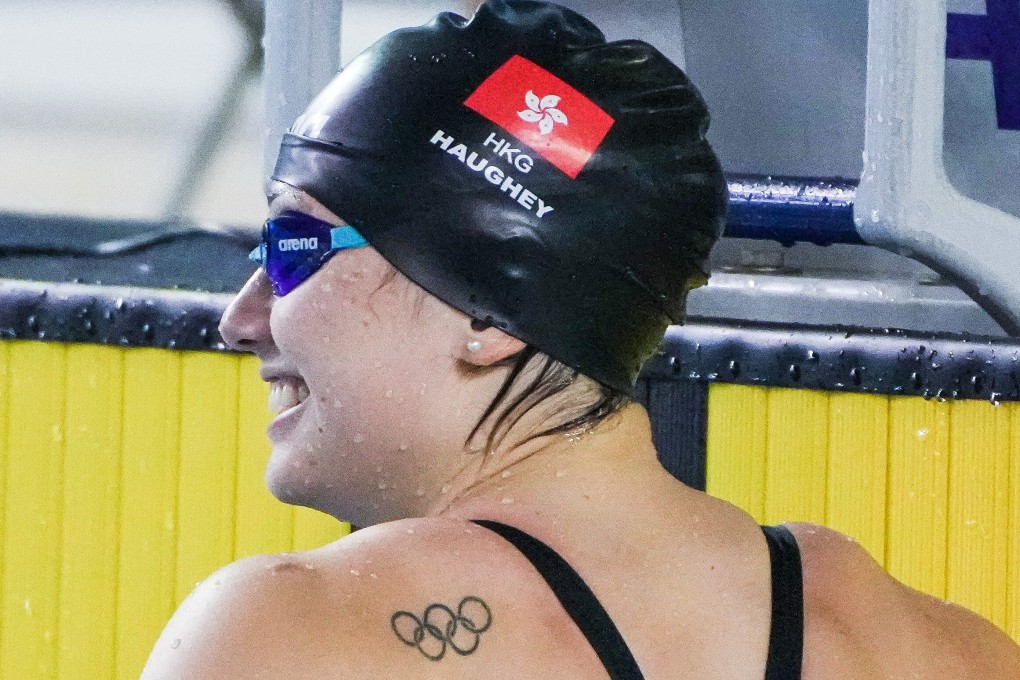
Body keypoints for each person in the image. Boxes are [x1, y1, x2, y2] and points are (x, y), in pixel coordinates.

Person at [141, 1, 1020, 678]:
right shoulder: (928, 647)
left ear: (485, 316)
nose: (242, 315)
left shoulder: (294, 635)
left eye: (291, 251)